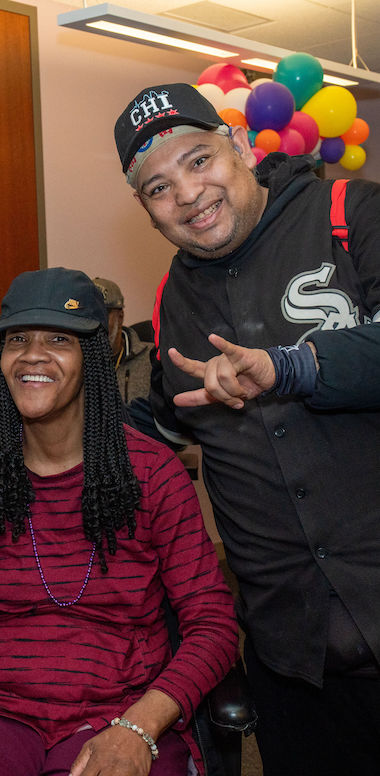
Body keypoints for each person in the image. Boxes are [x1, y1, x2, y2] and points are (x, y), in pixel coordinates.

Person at [113, 81, 380, 775]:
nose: (189, 195)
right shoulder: (176, 296)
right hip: (293, 664)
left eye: (199, 160)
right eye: (159, 188)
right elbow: (172, 422)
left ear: (238, 145)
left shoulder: (351, 213)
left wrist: (291, 367)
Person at [0, 267, 237, 776]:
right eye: (17, 340)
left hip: (121, 710)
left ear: (93, 358)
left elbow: (214, 626)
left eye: (59, 338)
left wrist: (140, 726)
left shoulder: (153, 474)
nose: (33, 354)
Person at [92, 276, 153, 404]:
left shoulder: (152, 359)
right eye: (88, 315)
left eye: (102, 314)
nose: (95, 323)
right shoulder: (75, 361)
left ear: (120, 317)